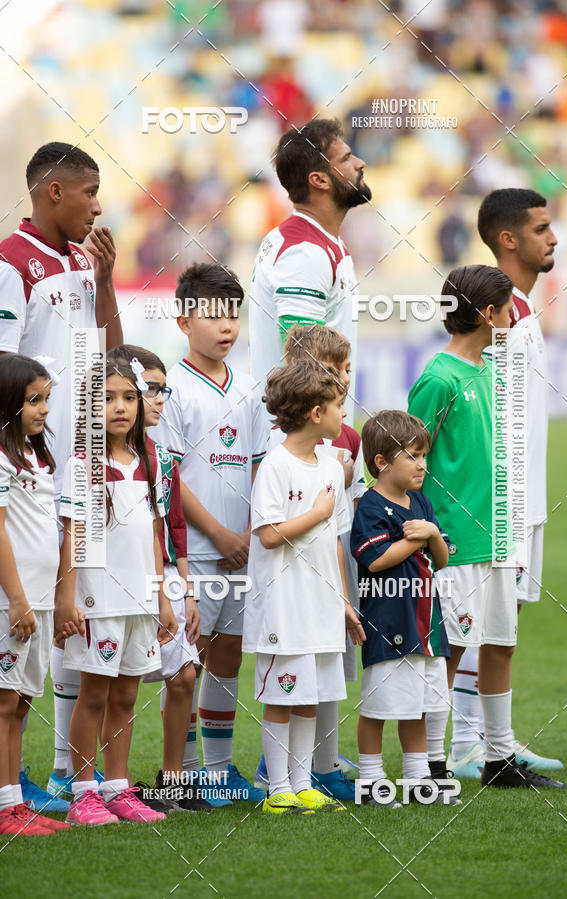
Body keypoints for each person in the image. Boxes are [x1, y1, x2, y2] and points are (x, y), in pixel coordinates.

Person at [407, 264, 567, 789]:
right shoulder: (438, 377)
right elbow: (409, 457)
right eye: (505, 310)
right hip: (454, 541)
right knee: (448, 650)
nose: (512, 318)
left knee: (500, 641)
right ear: (485, 314)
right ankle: (431, 764)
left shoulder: (495, 370)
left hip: (501, 533)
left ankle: (499, 758)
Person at [0, 141, 122, 809]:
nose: (98, 206)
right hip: (32, 480)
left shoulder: (84, 260)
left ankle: (58, 776)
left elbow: (113, 352)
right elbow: (1, 373)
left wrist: (105, 282)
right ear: (53, 192)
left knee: (78, 619)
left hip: (87, 469)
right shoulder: (10, 264)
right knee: (20, 623)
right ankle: (10, 785)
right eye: (89, 191)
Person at [447, 190, 562, 777]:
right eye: (541, 229)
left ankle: (488, 743)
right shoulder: (496, 312)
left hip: (523, 499)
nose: (554, 238)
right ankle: (464, 746)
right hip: (499, 501)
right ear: (509, 239)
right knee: (476, 623)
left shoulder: (520, 308)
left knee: (500, 625)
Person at [149, 263, 268, 803]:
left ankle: (218, 771)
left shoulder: (250, 390)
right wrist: (220, 535)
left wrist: (245, 533)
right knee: (187, 667)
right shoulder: (169, 389)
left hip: (244, 551)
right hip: (194, 554)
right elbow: (169, 475)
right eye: (213, 314)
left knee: (228, 658)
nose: (226, 326)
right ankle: (188, 771)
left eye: (233, 315)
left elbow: (262, 466)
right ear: (183, 320)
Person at [54, 351, 178, 826]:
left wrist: (163, 597)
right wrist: (67, 598)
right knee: (94, 694)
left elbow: (153, 535)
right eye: (107, 399)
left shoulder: (153, 460)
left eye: (130, 397)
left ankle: (118, 789)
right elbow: (73, 535)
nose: (121, 407)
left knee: (126, 696)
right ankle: (83, 793)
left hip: (140, 599)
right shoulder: (82, 464)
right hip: (96, 599)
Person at [243, 359, 366, 814]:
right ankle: (278, 790)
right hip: (282, 605)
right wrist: (315, 512)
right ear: (316, 413)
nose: (343, 414)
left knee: (310, 696)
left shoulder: (333, 468)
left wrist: (343, 602)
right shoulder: (275, 466)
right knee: (282, 696)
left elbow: (334, 540)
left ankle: (302, 783)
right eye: (338, 405)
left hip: (321, 604)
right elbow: (270, 534)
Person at [110, 344, 212, 814]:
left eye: (161, 390)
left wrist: (185, 592)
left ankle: (172, 779)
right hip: (121, 575)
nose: (156, 399)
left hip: (166, 575)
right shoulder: (101, 456)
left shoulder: (164, 457)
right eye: (148, 389)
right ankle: (109, 784)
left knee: (185, 674)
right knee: (111, 684)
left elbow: (173, 530)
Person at [351, 410, 453, 806]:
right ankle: (372, 783)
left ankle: (417, 781)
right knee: (378, 707)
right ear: (381, 462)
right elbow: (375, 560)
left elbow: (441, 559)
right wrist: (418, 540)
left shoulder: (422, 502)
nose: (422, 464)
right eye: (413, 456)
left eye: (424, 455)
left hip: (427, 624)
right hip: (388, 622)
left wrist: (431, 535)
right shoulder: (371, 506)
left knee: (419, 706)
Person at [248, 117, 371, 424]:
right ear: (320, 180)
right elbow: (303, 365)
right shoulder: (305, 252)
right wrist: (333, 446)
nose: (360, 163)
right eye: (346, 158)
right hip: (308, 445)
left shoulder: (314, 242)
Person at [0, 355, 69, 835]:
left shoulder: (38, 455)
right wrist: (19, 600)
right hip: (15, 603)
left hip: (40, 602)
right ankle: (6, 807)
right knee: (4, 703)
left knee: (22, 702)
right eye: (33, 400)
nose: (44, 410)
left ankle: (14, 802)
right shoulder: (3, 458)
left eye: (47, 399)